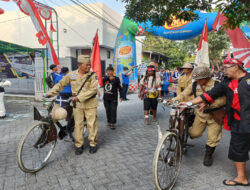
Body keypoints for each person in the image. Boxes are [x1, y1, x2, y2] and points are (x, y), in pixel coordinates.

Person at [182, 58, 250, 186]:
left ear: (236, 67)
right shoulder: (226, 82)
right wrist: (189, 103)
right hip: (238, 122)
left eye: (226, 68)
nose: (223, 70)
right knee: (238, 150)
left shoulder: (248, 80)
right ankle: (242, 178)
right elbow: (209, 95)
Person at [172, 66, 226, 166]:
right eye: (196, 79)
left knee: (213, 137)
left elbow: (223, 100)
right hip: (200, 114)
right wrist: (174, 100)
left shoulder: (217, 84)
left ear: (207, 77)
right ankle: (188, 132)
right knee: (194, 133)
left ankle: (208, 155)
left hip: (215, 115)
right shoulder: (195, 84)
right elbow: (184, 94)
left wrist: (208, 103)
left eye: (199, 79)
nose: (197, 80)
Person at [47, 55, 99, 155]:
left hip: (90, 104)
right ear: (79, 65)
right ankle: (79, 145)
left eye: (90, 65)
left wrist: (79, 97)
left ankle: (93, 143)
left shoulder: (93, 75)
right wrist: (51, 92)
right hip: (77, 105)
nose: (89, 67)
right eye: (87, 65)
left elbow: (92, 90)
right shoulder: (72, 75)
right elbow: (61, 84)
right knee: (78, 125)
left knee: (91, 124)